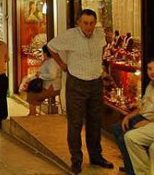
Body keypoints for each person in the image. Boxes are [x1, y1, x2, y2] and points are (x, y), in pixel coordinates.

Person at [48, 9, 114, 173]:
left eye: (91, 23)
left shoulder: (99, 35)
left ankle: (96, 156)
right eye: (85, 23)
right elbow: (51, 46)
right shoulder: (70, 35)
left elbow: (102, 49)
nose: (88, 27)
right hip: (76, 83)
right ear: (79, 23)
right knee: (75, 123)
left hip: (95, 83)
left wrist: (100, 68)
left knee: (95, 122)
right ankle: (76, 160)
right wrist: (62, 64)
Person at [112, 58, 154, 175]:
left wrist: (147, 123)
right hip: (143, 117)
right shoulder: (150, 85)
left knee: (125, 137)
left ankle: (133, 171)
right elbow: (142, 108)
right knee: (117, 128)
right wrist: (128, 116)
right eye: (149, 69)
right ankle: (131, 166)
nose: (152, 72)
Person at [26, 45, 62, 116]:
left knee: (32, 95)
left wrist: (40, 75)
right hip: (47, 86)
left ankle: (32, 113)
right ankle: (32, 113)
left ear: (46, 53)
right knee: (30, 92)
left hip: (52, 87)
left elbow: (52, 75)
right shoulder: (48, 61)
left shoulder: (52, 62)